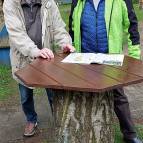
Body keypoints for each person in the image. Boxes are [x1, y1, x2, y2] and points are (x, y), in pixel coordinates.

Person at [69, 0, 142, 143]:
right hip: (84, 59)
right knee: (83, 97)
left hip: (111, 59)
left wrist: (134, 58)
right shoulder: (77, 1)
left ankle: (130, 134)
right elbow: (72, 27)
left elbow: (132, 26)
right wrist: (71, 48)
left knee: (118, 97)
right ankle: (83, 133)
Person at [3, 0, 75, 137]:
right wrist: (35, 51)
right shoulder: (10, 3)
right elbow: (17, 34)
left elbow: (58, 27)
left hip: (46, 57)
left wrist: (65, 43)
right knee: (25, 96)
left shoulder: (49, 2)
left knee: (54, 93)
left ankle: (59, 119)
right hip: (23, 58)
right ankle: (31, 120)